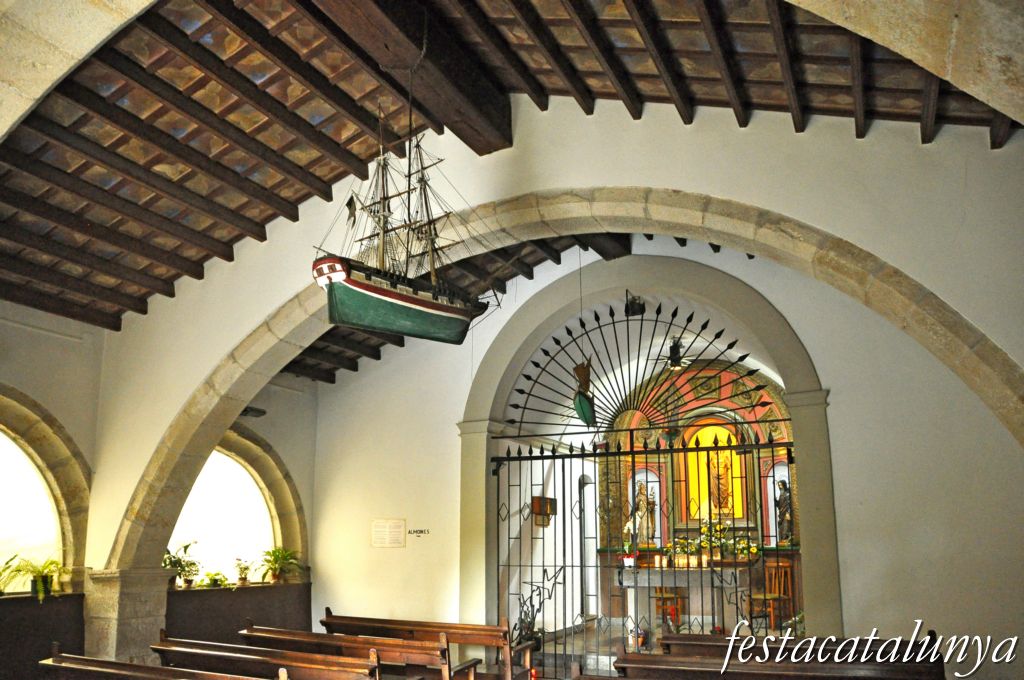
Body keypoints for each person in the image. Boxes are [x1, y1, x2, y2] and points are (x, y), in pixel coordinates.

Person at [776, 479, 793, 544]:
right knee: (781, 527)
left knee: (786, 526)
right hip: (781, 512)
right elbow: (780, 504)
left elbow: (788, 503)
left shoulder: (787, 493)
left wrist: (788, 512)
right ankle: (782, 539)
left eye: (781, 485)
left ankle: (785, 539)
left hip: (785, 512)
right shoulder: (781, 492)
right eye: (779, 485)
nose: (780, 486)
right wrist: (776, 502)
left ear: (784, 484)